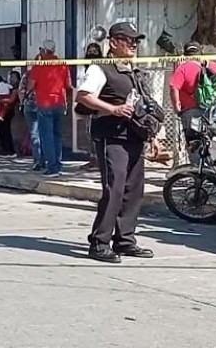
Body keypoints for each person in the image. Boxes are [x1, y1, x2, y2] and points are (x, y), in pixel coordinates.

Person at [75, 22, 155, 264]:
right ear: (113, 43)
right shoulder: (102, 68)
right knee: (115, 189)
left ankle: (125, 240)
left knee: (134, 190)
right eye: (128, 40)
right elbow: (83, 96)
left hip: (135, 136)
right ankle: (99, 242)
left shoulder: (133, 70)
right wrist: (113, 109)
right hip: (112, 136)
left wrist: (153, 136)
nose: (133, 45)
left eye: (135, 41)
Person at [28, 40, 72, 176]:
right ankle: (57, 164)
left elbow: (30, 85)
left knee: (46, 136)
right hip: (59, 102)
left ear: (43, 50)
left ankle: (52, 167)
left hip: (44, 103)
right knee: (57, 135)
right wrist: (67, 101)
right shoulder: (62, 65)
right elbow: (69, 86)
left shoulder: (39, 65)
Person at [170, 41, 216, 139]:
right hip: (213, 110)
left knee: (196, 145)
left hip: (191, 111)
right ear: (201, 53)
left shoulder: (183, 68)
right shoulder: (213, 67)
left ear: (185, 54)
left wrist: (177, 107)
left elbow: (174, 87)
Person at [77, 42, 104, 171]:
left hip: (96, 103)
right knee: (92, 132)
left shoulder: (95, 67)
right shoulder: (94, 66)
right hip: (96, 103)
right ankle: (94, 159)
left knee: (94, 133)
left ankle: (95, 160)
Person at [0, 71, 20, 156]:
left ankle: (10, 150)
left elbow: (11, 100)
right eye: (10, 77)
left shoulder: (15, 89)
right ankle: (4, 148)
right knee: (1, 129)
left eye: (13, 77)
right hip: (3, 109)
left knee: (5, 129)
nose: (11, 79)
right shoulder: (8, 87)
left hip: (8, 110)